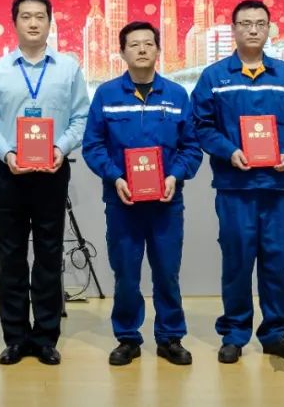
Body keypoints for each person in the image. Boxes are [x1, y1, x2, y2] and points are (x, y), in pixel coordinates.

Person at [190, 0, 284, 364]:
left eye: (260, 23)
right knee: (238, 261)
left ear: (269, 29)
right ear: (234, 30)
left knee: (275, 260)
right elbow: (201, 125)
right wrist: (229, 151)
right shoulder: (215, 77)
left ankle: (275, 333)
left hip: (276, 186)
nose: (253, 29)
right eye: (245, 23)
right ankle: (234, 334)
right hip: (235, 187)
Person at [0, 0, 90, 365]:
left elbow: (81, 118)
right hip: (9, 172)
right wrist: (6, 153)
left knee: (48, 254)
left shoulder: (68, 68)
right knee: (11, 256)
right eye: (26, 16)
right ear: (15, 22)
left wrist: (60, 148)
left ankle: (45, 337)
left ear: (50, 22)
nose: (34, 23)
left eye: (40, 16)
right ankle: (15, 337)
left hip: (52, 171)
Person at [82, 21, 202, 366]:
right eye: (134, 44)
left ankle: (170, 338)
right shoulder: (106, 95)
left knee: (167, 273)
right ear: (122, 52)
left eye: (148, 43)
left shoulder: (176, 95)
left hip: (166, 203)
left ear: (158, 50)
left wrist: (176, 176)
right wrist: (115, 177)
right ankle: (128, 338)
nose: (142, 49)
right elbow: (93, 146)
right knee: (126, 274)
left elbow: (191, 147)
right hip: (123, 203)